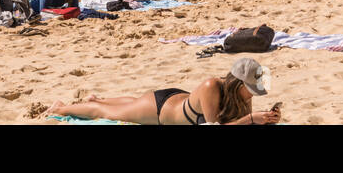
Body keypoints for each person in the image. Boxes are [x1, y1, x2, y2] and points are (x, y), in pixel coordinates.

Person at [49, 58, 279, 125]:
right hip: (160, 110)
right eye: (250, 90)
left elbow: (239, 121)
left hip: (177, 101)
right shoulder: (212, 87)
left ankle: (99, 97)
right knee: (109, 113)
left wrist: (266, 119)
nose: (252, 95)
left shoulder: (239, 95)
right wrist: (250, 119)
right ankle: (62, 106)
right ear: (238, 83)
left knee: (132, 103)